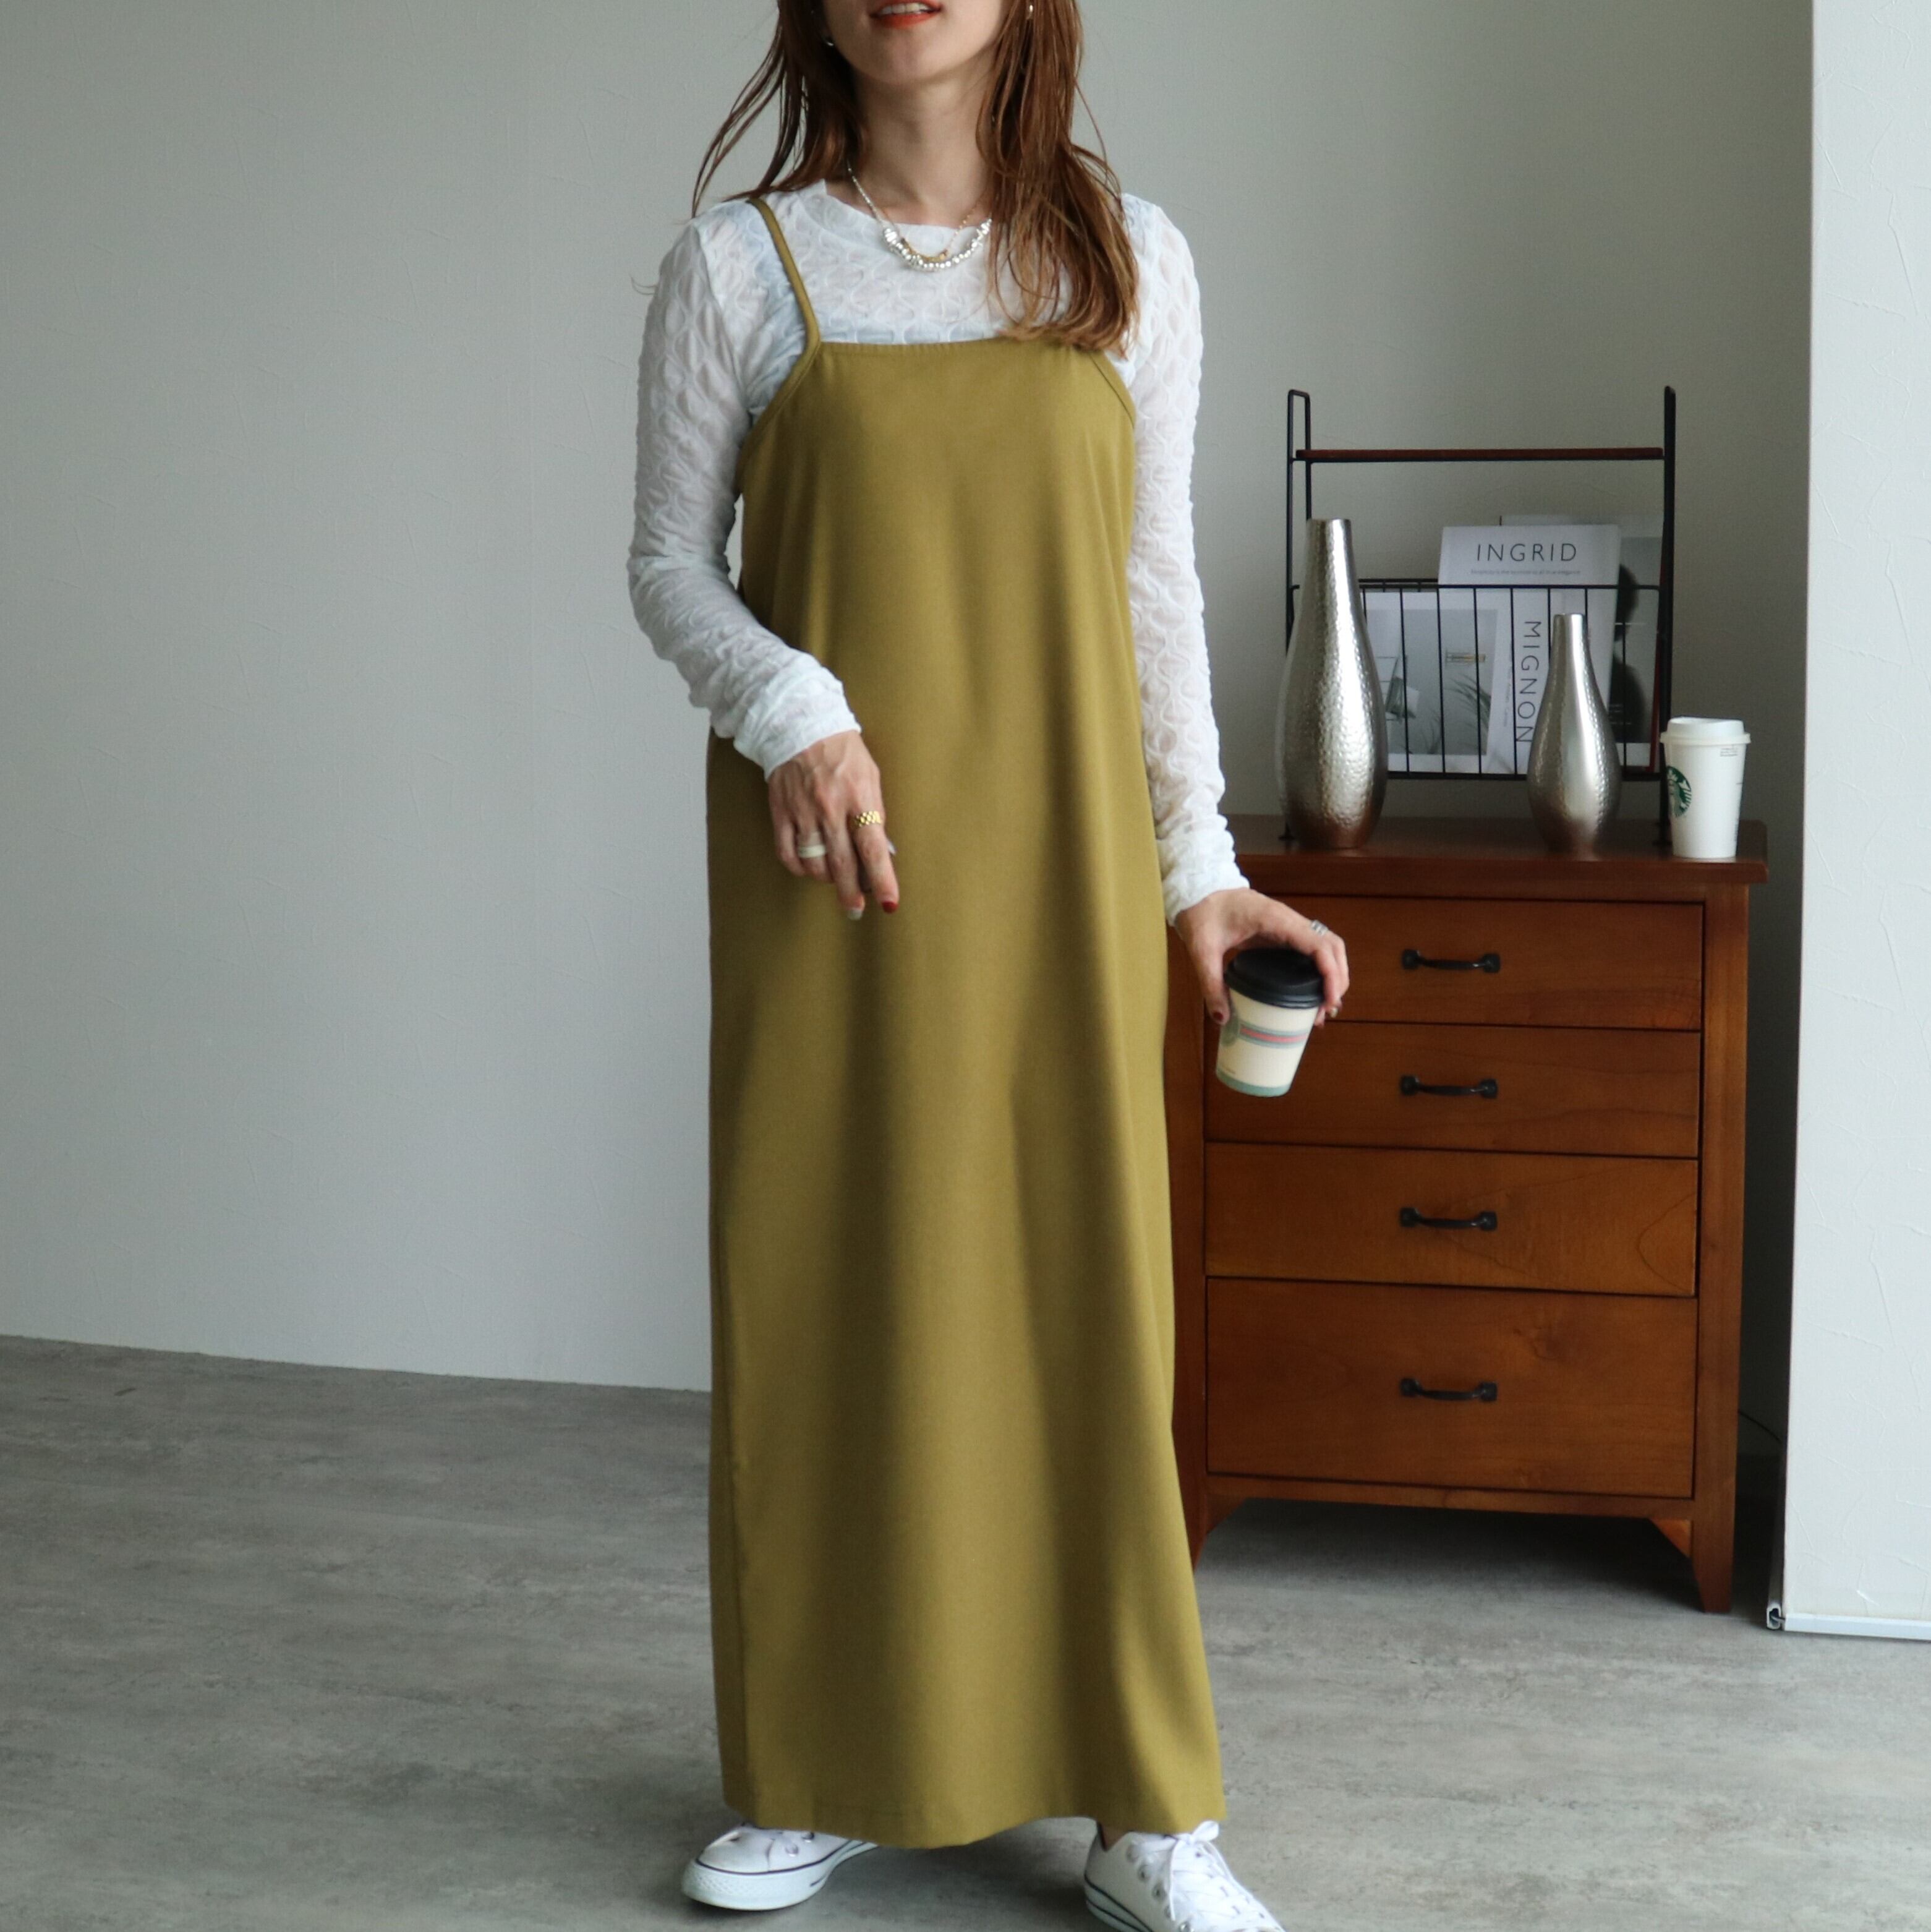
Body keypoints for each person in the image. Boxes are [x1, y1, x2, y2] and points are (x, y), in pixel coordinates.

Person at [628, 3, 1348, 1926]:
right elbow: (667, 564)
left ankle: (1142, 1811)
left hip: (1065, 868)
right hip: (833, 871)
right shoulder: (738, 268)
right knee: (828, 1285)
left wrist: (1200, 874)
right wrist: (792, 709)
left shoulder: (1127, 261)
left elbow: (1151, 587)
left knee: (1078, 1303)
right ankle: (819, 1760)